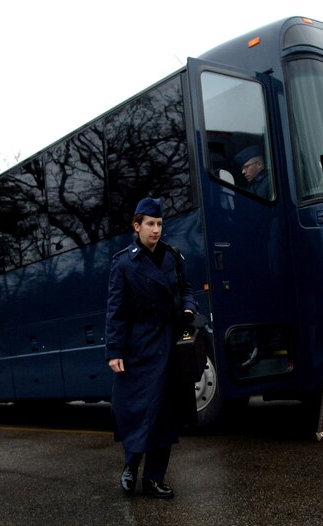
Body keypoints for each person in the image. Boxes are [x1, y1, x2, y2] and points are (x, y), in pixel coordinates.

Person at [105, 197, 198, 499]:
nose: (156, 230)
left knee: (165, 415)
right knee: (137, 411)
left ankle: (154, 478)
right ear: (137, 226)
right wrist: (115, 351)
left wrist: (187, 307)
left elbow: (187, 289)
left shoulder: (172, 256)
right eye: (150, 224)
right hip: (138, 348)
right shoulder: (123, 263)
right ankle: (131, 467)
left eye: (159, 224)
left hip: (169, 344)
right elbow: (116, 311)